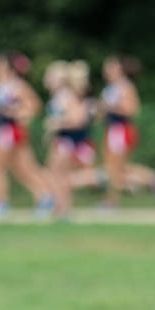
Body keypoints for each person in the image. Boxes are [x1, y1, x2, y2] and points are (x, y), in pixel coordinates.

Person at [0, 51, 54, 219]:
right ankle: (45, 197)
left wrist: (14, 113)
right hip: (4, 129)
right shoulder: (0, 86)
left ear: (7, 67)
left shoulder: (16, 85)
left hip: (9, 130)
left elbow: (33, 106)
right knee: (23, 168)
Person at [100, 54, 155, 206]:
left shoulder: (125, 86)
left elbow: (133, 109)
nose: (106, 69)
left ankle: (112, 201)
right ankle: (150, 178)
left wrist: (111, 108)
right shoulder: (111, 87)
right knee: (112, 166)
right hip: (112, 128)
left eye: (111, 66)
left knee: (114, 167)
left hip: (121, 129)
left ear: (120, 69)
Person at [43, 60, 104, 215]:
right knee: (58, 174)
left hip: (69, 139)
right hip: (68, 139)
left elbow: (77, 120)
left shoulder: (68, 96)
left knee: (59, 174)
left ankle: (64, 206)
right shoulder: (68, 95)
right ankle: (62, 206)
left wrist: (58, 124)